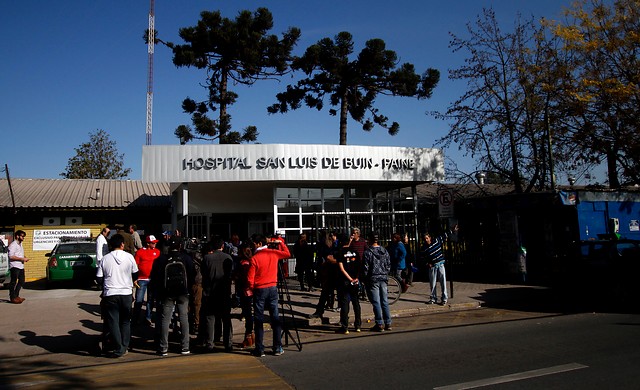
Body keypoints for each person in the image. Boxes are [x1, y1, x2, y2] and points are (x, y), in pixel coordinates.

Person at [246, 233, 291, 357]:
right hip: (272, 287)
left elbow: (250, 278)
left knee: (259, 318)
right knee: (275, 317)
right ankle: (277, 347)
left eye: (254, 244)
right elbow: (287, 254)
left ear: (259, 244)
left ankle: (259, 348)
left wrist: (250, 288)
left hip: (260, 288)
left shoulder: (255, 258)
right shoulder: (273, 253)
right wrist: (281, 243)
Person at [149, 236, 195, 356]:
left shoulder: (161, 259)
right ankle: (185, 347)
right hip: (183, 292)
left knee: (165, 319)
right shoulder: (186, 258)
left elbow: (155, 277)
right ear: (180, 246)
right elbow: (192, 274)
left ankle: (163, 347)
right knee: (184, 317)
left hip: (167, 293)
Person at [96, 233, 139, 357]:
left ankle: (118, 346)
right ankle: (125, 346)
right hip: (126, 293)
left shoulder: (105, 258)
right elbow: (135, 273)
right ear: (122, 244)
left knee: (113, 321)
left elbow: (99, 278)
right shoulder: (129, 257)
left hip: (110, 294)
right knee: (125, 321)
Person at [200, 237, 234, 352]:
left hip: (210, 292)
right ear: (222, 246)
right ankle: (228, 343)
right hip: (224, 292)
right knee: (226, 318)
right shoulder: (228, 257)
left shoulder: (207, 258)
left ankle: (210, 343)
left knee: (210, 318)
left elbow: (203, 273)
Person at [421, 224, 459, 305]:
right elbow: (423, 258)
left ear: (430, 238)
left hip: (440, 264)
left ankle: (444, 298)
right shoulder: (424, 247)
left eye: (427, 238)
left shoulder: (436, 241)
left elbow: (444, 235)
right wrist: (428, 264)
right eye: (425, 239)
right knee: (433, 284)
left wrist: (452, 230)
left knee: (443, 282)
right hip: (432, 266)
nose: (426, 240)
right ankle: (433, 298)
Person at [362, 232, 392, 332]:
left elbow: (366, 268)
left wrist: (365, 278)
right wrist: (385, 273)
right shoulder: (384, 250)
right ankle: (388, 322)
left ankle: (379, 323)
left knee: (376, 302)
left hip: (373, 278)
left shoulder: (368, 252)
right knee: (385, 301)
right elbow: (388, 265)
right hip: (383, 278)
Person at [308, 233, 338, 318]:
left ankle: (320, 310)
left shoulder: (325, 248)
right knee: (328, 292)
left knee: (325, 292)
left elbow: (324, 258)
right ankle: (327, 306)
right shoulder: (333, 247)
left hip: (328, 272)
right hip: (331, 272)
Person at [133, 234, 161, 326]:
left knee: (150, 300)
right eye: (153, 243)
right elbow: (135, 266)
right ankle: (135, 318)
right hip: (142, 279)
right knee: (139, 300)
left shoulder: (157, 252)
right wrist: (135, 278)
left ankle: (148, 318)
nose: (155, 244)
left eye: (155, 243)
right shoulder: (140, 252)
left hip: (153, 280)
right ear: (148, 243)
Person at [336, 242, 362, 334]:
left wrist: (350, 279)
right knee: (356, 303)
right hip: (355, 280)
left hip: (345, 281)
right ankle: (358, 325)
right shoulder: (355, 252)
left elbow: (341, 268)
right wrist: (356, 278)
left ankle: (345, 326)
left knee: (345, 303)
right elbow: (360, 266)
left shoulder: (340, 252)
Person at [8, 230, 29, 304]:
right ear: (17, 236)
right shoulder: (13, 245)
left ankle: (16, 295)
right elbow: (11, 256)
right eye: (22, 236)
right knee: (13, 282)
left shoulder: (20, 244)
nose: (23, 238)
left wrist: (24, 257)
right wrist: (22, 259)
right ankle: (12, 297)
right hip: (15, 266)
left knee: (22, 281)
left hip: (21, 266)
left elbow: (19, 254)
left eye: (23, 236)